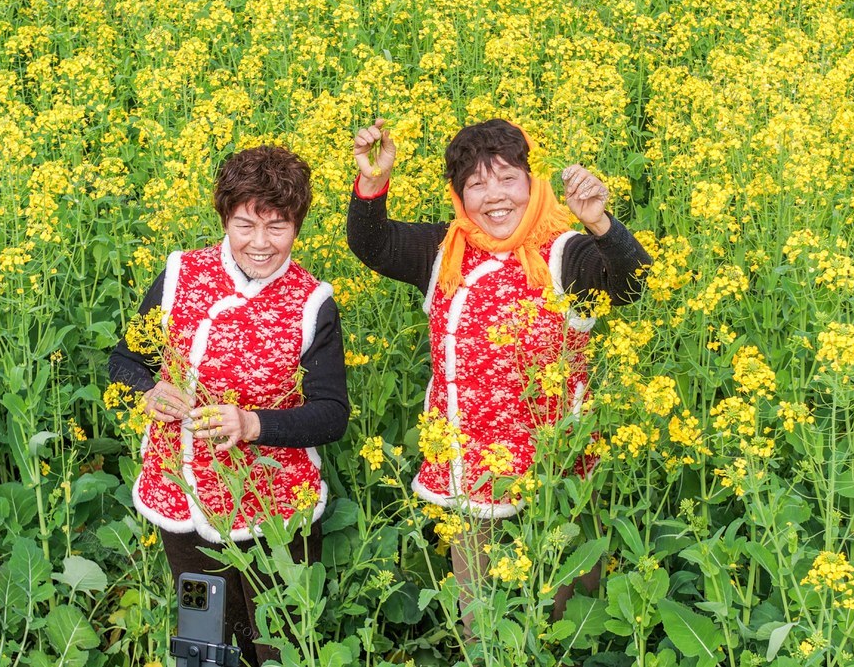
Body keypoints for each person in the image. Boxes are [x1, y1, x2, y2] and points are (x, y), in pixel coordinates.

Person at [347, 118, 651, 628]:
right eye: (475, 184)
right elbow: (372, 244)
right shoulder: (446, 250)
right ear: (459, 196)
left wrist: (601, 225)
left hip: (554, 463)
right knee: (481, 619)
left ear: (532, 182)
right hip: (469, 458)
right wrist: (373, 184)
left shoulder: (565, 252)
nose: (494, 197)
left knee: (564, 603)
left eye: (507, 177)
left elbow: (632, 284)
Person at [109, 145, 348, 665]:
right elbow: (127, 360)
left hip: (276, 508)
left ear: (298, 225)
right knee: (205, 642)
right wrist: (148, 393)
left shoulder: (313, 303)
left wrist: (251, 423)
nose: (260, 244)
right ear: (223, 218)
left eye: (278, 227)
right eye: (245, 225)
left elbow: (332, 414)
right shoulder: (179, 275)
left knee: (277, 642)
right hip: (183, 497)